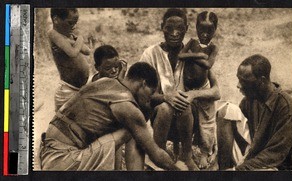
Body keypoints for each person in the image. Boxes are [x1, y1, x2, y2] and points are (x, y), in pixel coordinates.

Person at [40, 62, 181, 171]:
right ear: (143, 83)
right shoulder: (127, 107)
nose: (149, 99)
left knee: (131, 127)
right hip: (63, 161)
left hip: (48, 149)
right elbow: (156, 155)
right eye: (150, 93)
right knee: (132, 130)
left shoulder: (106, 82)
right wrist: (179, 172)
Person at [140, 8, 220, 170]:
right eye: (169, 28)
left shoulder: (195, 52)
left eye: (180, 29)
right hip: (161, 120)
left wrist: (192, 94)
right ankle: (158, 156)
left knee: (184, 104)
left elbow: (216, 91)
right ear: (162, 27)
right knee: (165, 108)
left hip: (189, 119)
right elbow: (140, 94)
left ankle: (186, 156)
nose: (174, 33)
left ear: (187, 29)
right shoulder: (150, 54)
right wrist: (165, 97)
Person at [217, 54, 292, 171]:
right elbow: (241, 132)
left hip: (273, 164)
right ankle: (223, 170)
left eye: (244, 81)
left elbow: (275, 154)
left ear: (261, 81)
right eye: (238, 79)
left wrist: (238, 170)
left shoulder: (286, 106)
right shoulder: (250, 99)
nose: (238, 85)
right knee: (227, 110)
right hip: (252, 155)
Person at [178, 11, 219, 169]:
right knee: (183, 113)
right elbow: (181, 56)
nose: (205, 34)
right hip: (186, 86)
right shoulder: (192, 42)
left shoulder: (213, 47)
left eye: (209, 30)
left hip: (203, 88)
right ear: (196, 28)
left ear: (215, 30)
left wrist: (193, 56)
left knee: (207, 122)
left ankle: (204, 152)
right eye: (202, 29)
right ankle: (181, 149)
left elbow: (208, 65)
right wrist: (198, 55)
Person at [48, 8, 91, 111]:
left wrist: (72, 40)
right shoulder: (53, 34)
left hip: (78, 89)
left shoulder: (68, 36)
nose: (74, 27)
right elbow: (73, 53)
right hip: (67, 91)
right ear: (56, 19)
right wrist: (79, 38)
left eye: (75, 23)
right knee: (64, 122)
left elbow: (87, 51)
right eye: (70, 23)